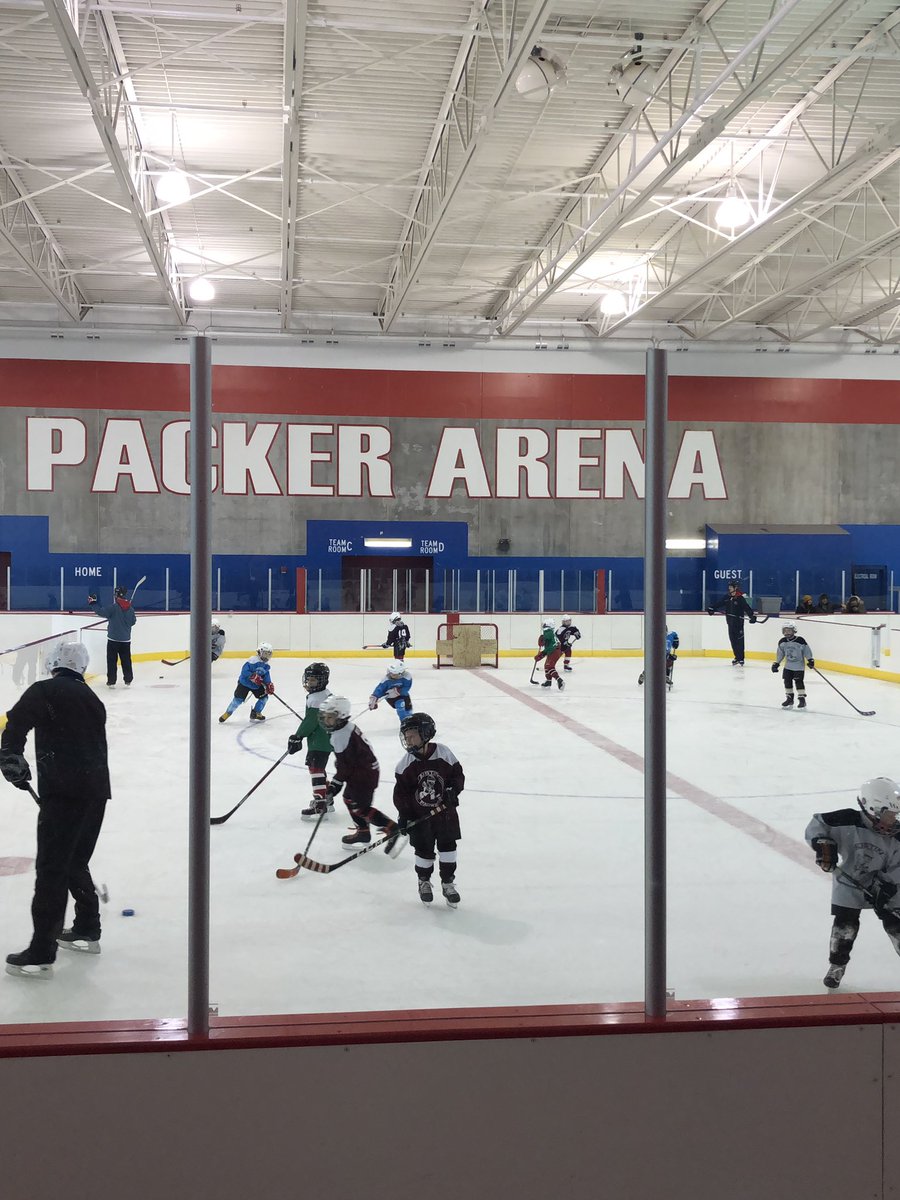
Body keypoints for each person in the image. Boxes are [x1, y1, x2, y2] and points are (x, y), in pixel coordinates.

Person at [0, 642, 110, 978]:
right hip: (96, 793)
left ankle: (41, 951)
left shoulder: (45, 690)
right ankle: (88, 927)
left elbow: (15, 724)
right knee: (75, 860)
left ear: (53, 663)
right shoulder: (92, 698)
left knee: (51, 870)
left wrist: (10, 756)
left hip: (63, 794)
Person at [805, 778, 900, 989]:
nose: (894, 820)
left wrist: (886, 886)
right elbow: (817, 825)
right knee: (845, 925)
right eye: (889, 815)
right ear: (871, 808)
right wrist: (823, 845)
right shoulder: (844, 820)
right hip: (849, 880)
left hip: (887, 884)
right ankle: (837, 965)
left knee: (896, 923)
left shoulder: (898, 837)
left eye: (896, 815)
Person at [393, 712, 465, 907]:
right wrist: (404, 816)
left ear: (425, 733)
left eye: (412, 736)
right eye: (405, 737)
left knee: (448, 849)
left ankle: (448, 882)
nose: (408, 741)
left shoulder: (444, 753)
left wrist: (453, 790)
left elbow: (458, 776)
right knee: (423, 851)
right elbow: (401, 795)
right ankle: (423, 881)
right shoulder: (405, 764)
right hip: (421, 818)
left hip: (445, 815)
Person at [317, 696, 399, 848]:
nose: (326, 720)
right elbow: (348, 761)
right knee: (349, 798)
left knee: (361, 807)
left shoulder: (340, 735)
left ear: (341, 716)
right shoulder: (344, 728)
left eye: (330, 717)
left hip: (363, 775)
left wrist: (334, 786)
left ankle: (392, 828)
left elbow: (344, 767)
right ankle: (363, 832)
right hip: (362, 771)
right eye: (325, 717)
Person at [287, 662, 334, 818]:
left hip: (320, 741)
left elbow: (311, 721)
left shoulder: (316, 699)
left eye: (314, 680)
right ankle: (327, 798)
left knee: (316, 769)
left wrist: (298, 736)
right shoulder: (325, 694)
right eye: (309, 679)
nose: (309, 683)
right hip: (326, 738)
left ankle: (320, 804)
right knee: (319, 768)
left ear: (323, 680)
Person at [88, 584, 137, 688]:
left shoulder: (114, 608)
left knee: (111, 661)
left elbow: (101, 612)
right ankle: (128, 680)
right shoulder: (131, 609)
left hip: (113, 640)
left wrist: (93, 603)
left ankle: (111, 681)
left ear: (116, 595)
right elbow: (133, 622)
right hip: (125, 641)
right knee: (126, 660)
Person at [218, 642, 274, 723]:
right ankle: (227, 713)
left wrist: (269, 684)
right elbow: (244, 672)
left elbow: (266, 676)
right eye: (265, 654)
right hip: (244, 684)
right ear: (259, 652)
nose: (267, 657)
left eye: (268, 654)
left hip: (256, 686)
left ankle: (256, 713)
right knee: (237, 700)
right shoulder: (252, 661)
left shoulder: (266, 665)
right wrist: (252, 676)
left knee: (264, 698)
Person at [706, 581, 756, 666]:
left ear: (735, 588)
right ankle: (736, 657)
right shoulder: (727, 597)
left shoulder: (740, 598)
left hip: (739, 623)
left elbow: (747, 608)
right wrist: (712, 608)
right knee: (733, 641)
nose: (729, 588)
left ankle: (741, 658)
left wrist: (752, 616)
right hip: (730, 623)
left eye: (731, 587)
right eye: (729, 587)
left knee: (739, 641)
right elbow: (719, 603)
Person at [771, 621, 814, 709]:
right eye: (785, 631)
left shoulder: (800, 640)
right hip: (788, 666)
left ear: (794, 631)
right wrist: (777, 663)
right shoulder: (782, 642)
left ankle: (802, 699)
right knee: (787, 681)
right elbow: (780, 654)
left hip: (799, 667)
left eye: (789, 631)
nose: (787, 633)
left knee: (798, 682)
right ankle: (789, 698)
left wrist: (810, 659)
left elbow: (806, 650)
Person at [534, 620, 564, 690]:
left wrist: (541, 654)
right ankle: (548, 681)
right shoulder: (549, 632)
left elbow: (548, 642)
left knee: (549, 666)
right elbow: (548, 647)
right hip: (554, 650)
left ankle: (560, 681)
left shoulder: (548, 631)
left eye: (544, 624)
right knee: (546, 666)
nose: (543, 626)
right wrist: (542, 654)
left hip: (554, 650)